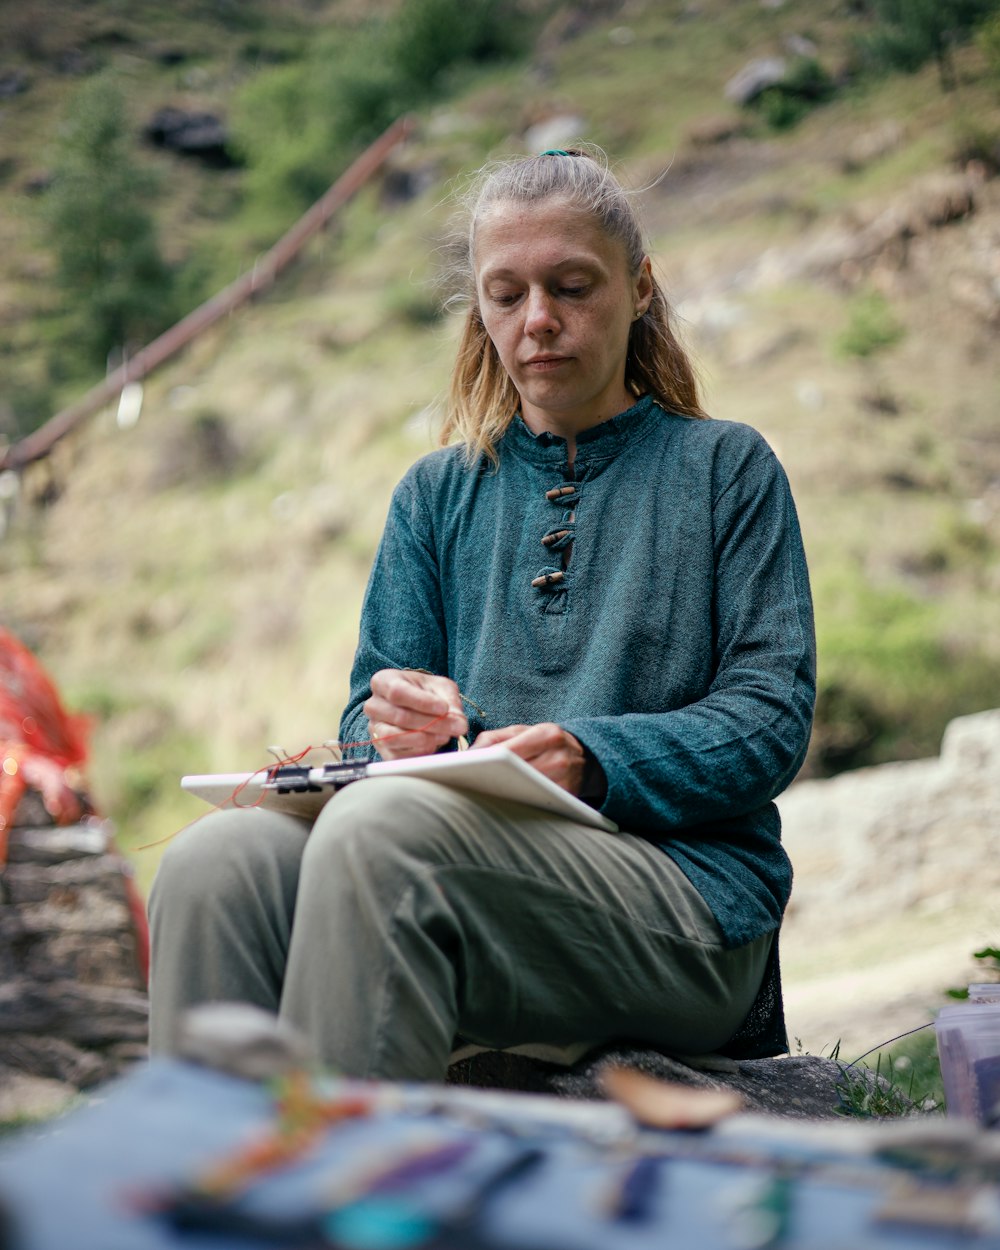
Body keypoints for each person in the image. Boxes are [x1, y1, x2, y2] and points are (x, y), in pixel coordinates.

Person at [148, 147, 816, 1080]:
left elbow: (769, 723)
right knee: (216, 866)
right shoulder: (435, 495)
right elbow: (362, 718)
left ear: (640, 289)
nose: (538, 320)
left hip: (688, 904)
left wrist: (592, 760)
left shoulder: (726, 470)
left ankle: (352, 1209)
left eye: (572, 286)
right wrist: (392, 727)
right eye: (506, 295)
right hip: (452, 861)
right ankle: (215, 1203)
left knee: (385, 837)